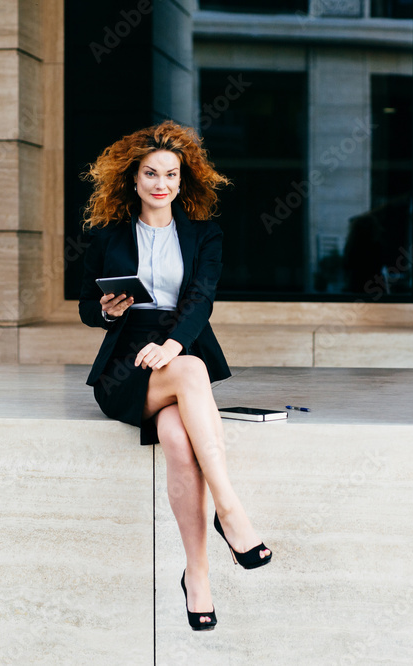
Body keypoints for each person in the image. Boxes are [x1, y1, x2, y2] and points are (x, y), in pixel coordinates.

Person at [79, 121, 272, 632]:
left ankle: (198, 574)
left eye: (171, 174)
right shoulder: (106, 234)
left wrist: (171, 344)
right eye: (150, 174)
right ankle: (232, 512)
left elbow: (201, 298)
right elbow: (85, 308)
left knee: (178, 440)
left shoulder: (204, 233)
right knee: (191, 370)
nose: (161, 183)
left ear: (183, 180)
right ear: (133, 179)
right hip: (128, 364)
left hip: (176, 347)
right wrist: (107, 310)